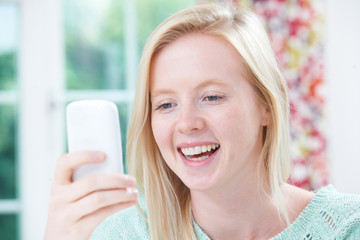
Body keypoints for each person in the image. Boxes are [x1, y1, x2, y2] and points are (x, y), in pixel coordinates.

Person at [45, 3, 360, 240]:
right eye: (166, 104)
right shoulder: (125, 232)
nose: (186, 123)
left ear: (266, 104)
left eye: (212, 97)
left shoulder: (346, 227)